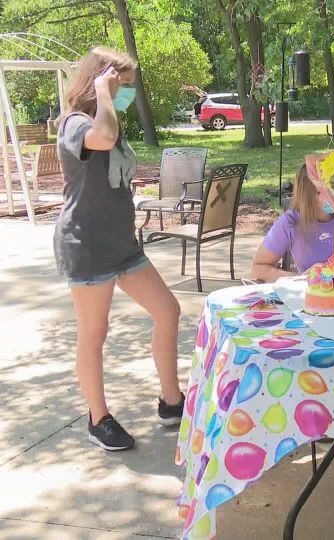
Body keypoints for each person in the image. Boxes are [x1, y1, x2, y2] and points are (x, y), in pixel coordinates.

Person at [54, 47, 184, 451]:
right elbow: (103, 137)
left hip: (122, 246)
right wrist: (103, 92)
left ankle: (172, 402)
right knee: (95, 333)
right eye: (122, 85)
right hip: (87, 245)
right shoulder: (75, 123)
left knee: (168, 310)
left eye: (127, 86)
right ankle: (99, 419)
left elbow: (112, 164)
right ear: (99, 82)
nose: (127, 93)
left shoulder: (109, 120)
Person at [249, 163, 334, 282]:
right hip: (311, 295)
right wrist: (302, 278)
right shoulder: (290, 222)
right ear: (309, 194)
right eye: (327, 190)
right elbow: (258, 268)